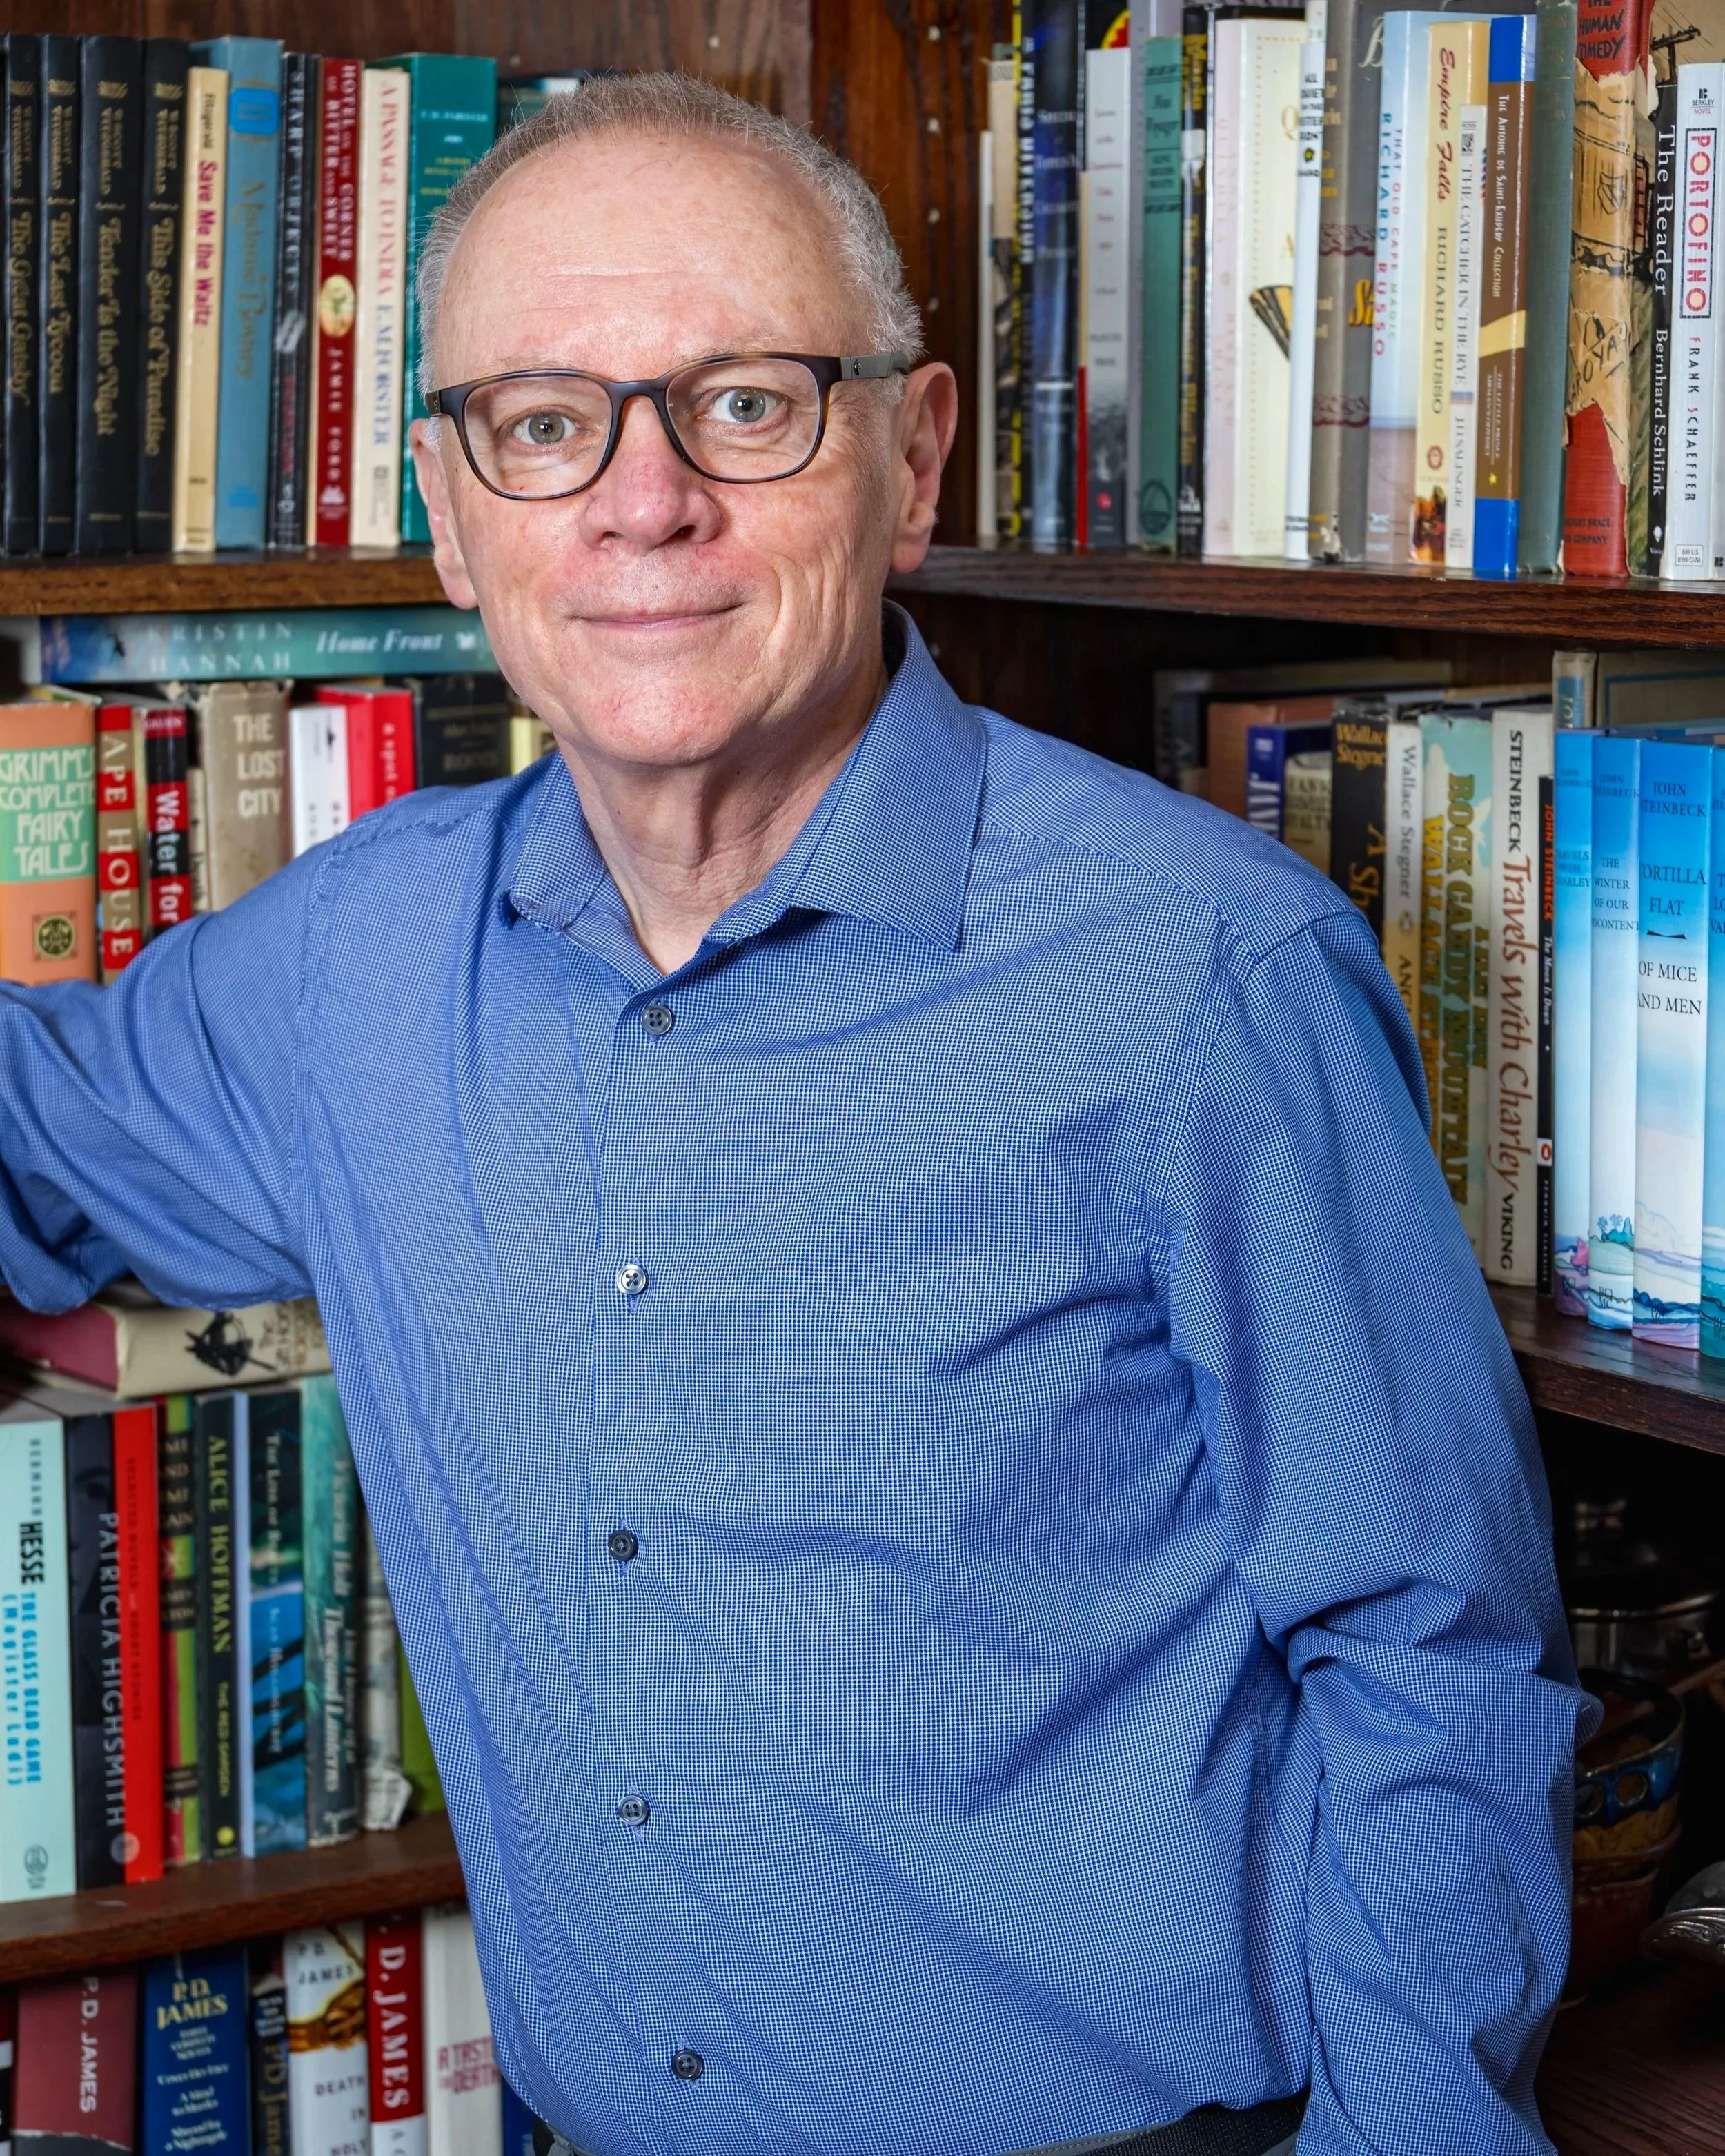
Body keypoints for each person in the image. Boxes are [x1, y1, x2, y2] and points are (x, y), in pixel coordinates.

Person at [0, 74, 1585, 2156]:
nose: (641, 503)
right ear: (454, 508)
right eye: (545, 424)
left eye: (744, 404)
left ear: (910, 458)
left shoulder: (1202, 971)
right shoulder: (351, 963)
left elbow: (1434, 1663)